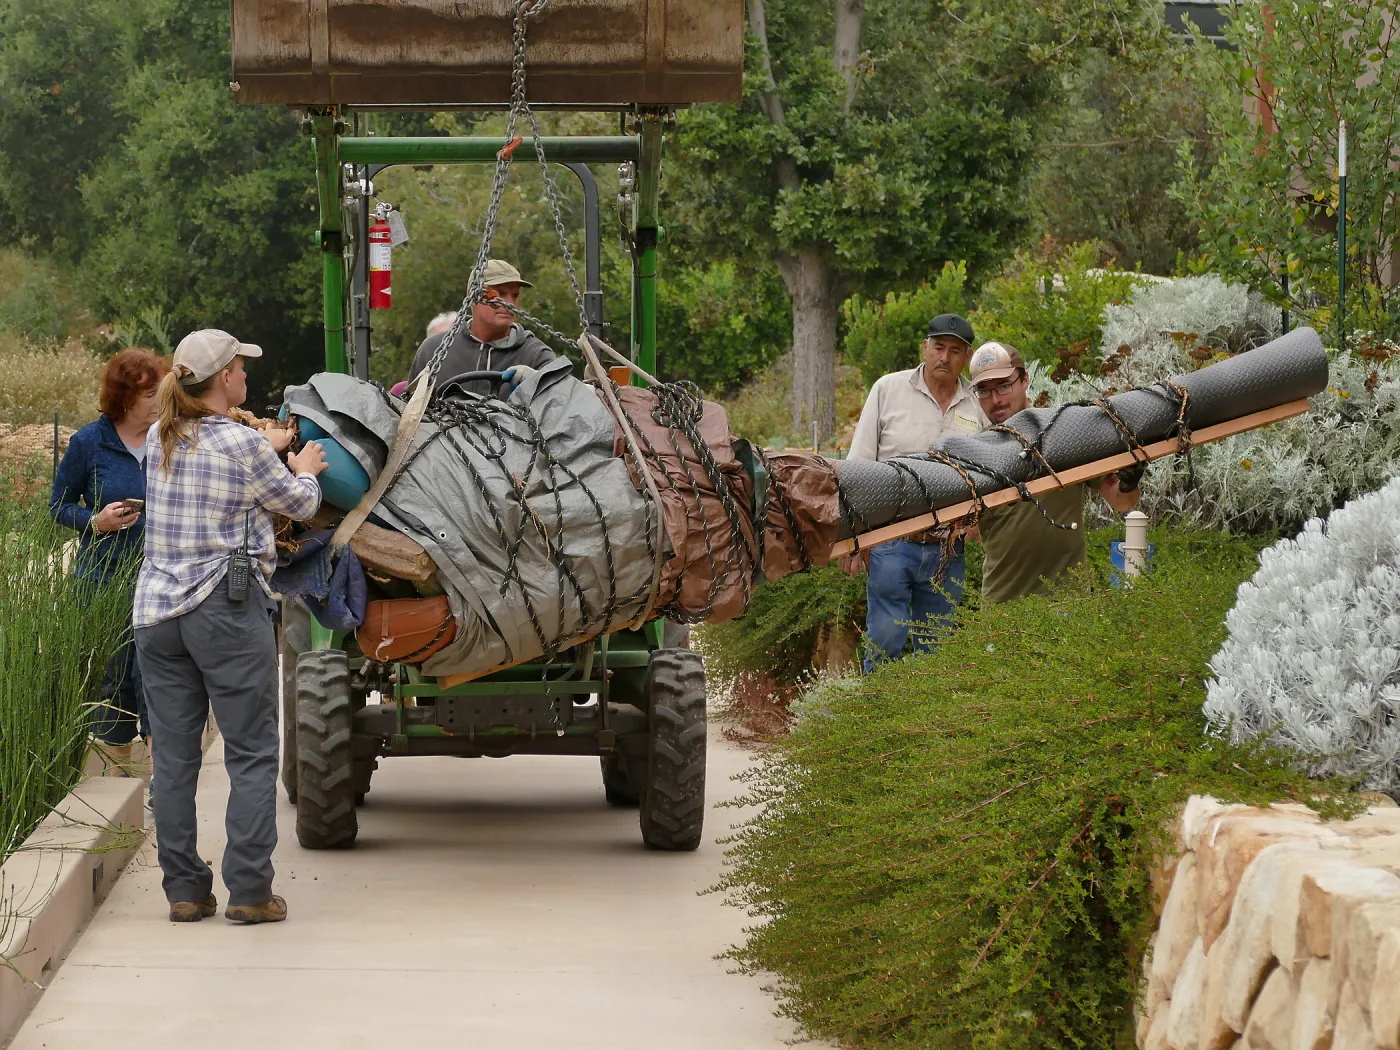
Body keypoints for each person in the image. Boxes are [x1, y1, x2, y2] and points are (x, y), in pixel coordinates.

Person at [134, 329, 327, 924]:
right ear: (224, 379)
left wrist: (261, 443)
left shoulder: (155, 438)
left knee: (173, 758)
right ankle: (248, 891)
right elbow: (298, 504)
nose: (246, 376)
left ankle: (185, 891)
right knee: (249, 751)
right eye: (242, 368)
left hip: (157, 614)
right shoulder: (244, 448)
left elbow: (212, 457)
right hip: (225, 608)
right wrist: (306, 467)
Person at [847, 314, 988, 671]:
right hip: (892, 542)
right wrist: (854, 538)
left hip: (948, 549)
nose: (945, 357)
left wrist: (979, 518)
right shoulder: (888, 390)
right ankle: (875, 719)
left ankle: (927, 725)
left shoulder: (977, 403)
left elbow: (991, 472)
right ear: (924, 347)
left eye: (955, 351)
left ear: (967, 357)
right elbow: (858, 466)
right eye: (938, 347)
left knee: (937, 650)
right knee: (885, 640)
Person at [50, 349, 169, 773]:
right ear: (124, 398)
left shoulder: (169, 437)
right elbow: (58, 506)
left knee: (159, 675)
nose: (159, 401)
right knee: (116, 677)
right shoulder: (89, 442)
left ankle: (162, 782)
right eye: (150, 394)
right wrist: (95, 522)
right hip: (103, 579)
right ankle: (119, 775)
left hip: (162, 576)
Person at [968, 341, 1142, 604]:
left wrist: (1130, 479)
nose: (995, 399)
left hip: (1069, 605)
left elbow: (1122, 501)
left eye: (1004, 385)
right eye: (984, 390)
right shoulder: (976, 454)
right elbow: (969, 535)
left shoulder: (1064, 435)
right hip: (1002, 611)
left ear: (1025, 380)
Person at [406, 259, 556, 397]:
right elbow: (410, 415)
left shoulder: (535, 355)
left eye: (515, 295)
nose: (509, 303)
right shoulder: (434, 350)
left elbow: (562, 411)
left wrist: (541, 384)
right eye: (500, 294)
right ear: (473, 296)